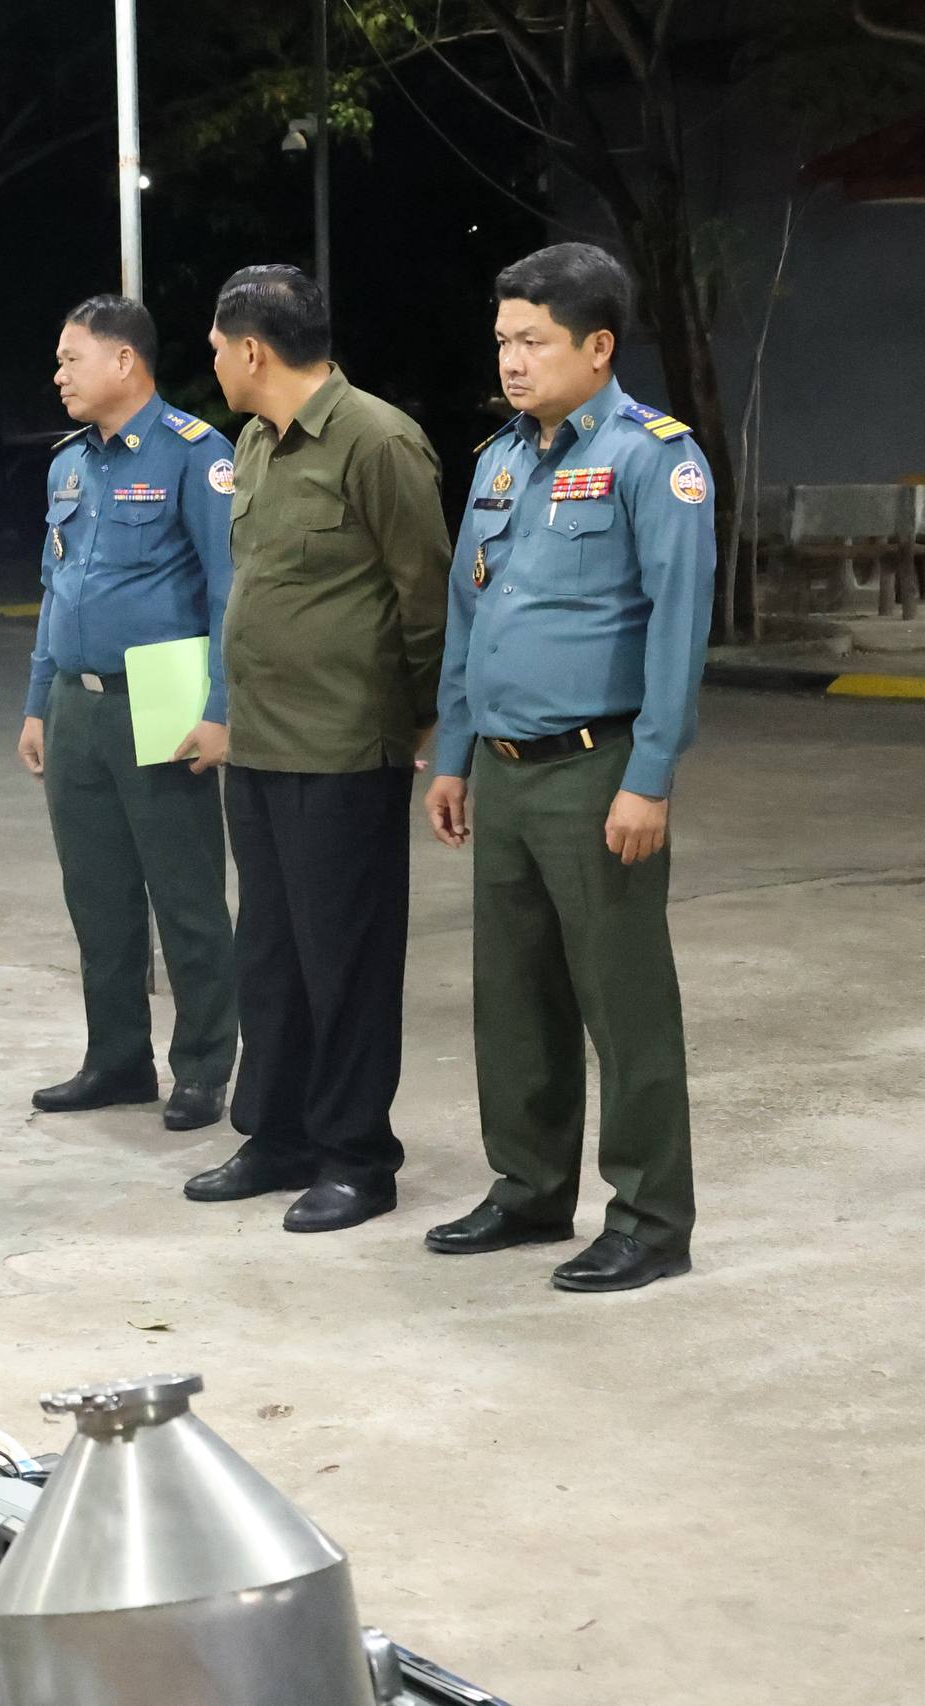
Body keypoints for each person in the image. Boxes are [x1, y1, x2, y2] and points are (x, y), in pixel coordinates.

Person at [422, 243, 712, 1293]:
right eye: (503, 340)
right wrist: (453, 753)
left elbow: (678, 628)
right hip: (502, 770)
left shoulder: (654, 458)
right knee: (513, 996)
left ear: (597, 347)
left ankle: (650, 1219)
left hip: (598, 770)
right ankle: (529, 1188)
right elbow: (470, 613)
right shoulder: (499, 460)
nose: (511, 360)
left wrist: (650, 776)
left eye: (533, 342)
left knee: (622, 1002)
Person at [196, 264, 449, 1233]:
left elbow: (425, 597)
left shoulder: (377, 440)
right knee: (269, 956)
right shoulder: (255, 444)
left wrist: (417, 717)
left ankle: (356, 1156)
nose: (213, 363)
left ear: (252, 350)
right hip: (261, 744)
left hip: (343, 747)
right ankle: (277, 1135)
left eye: (216, 348)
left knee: (345, 963)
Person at [16, 296, 238, 1133]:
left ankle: (203, 1067)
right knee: (97, 895)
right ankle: (116, 1060)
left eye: (71, 359)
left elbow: (229, 591)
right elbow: (55, 587)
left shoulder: (195, 454)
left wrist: (220, 707)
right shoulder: (68, 464)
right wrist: (38, 703)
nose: (59, 375)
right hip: (76, 702)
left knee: (184, 895)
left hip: (164, 691)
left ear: (123, 362)